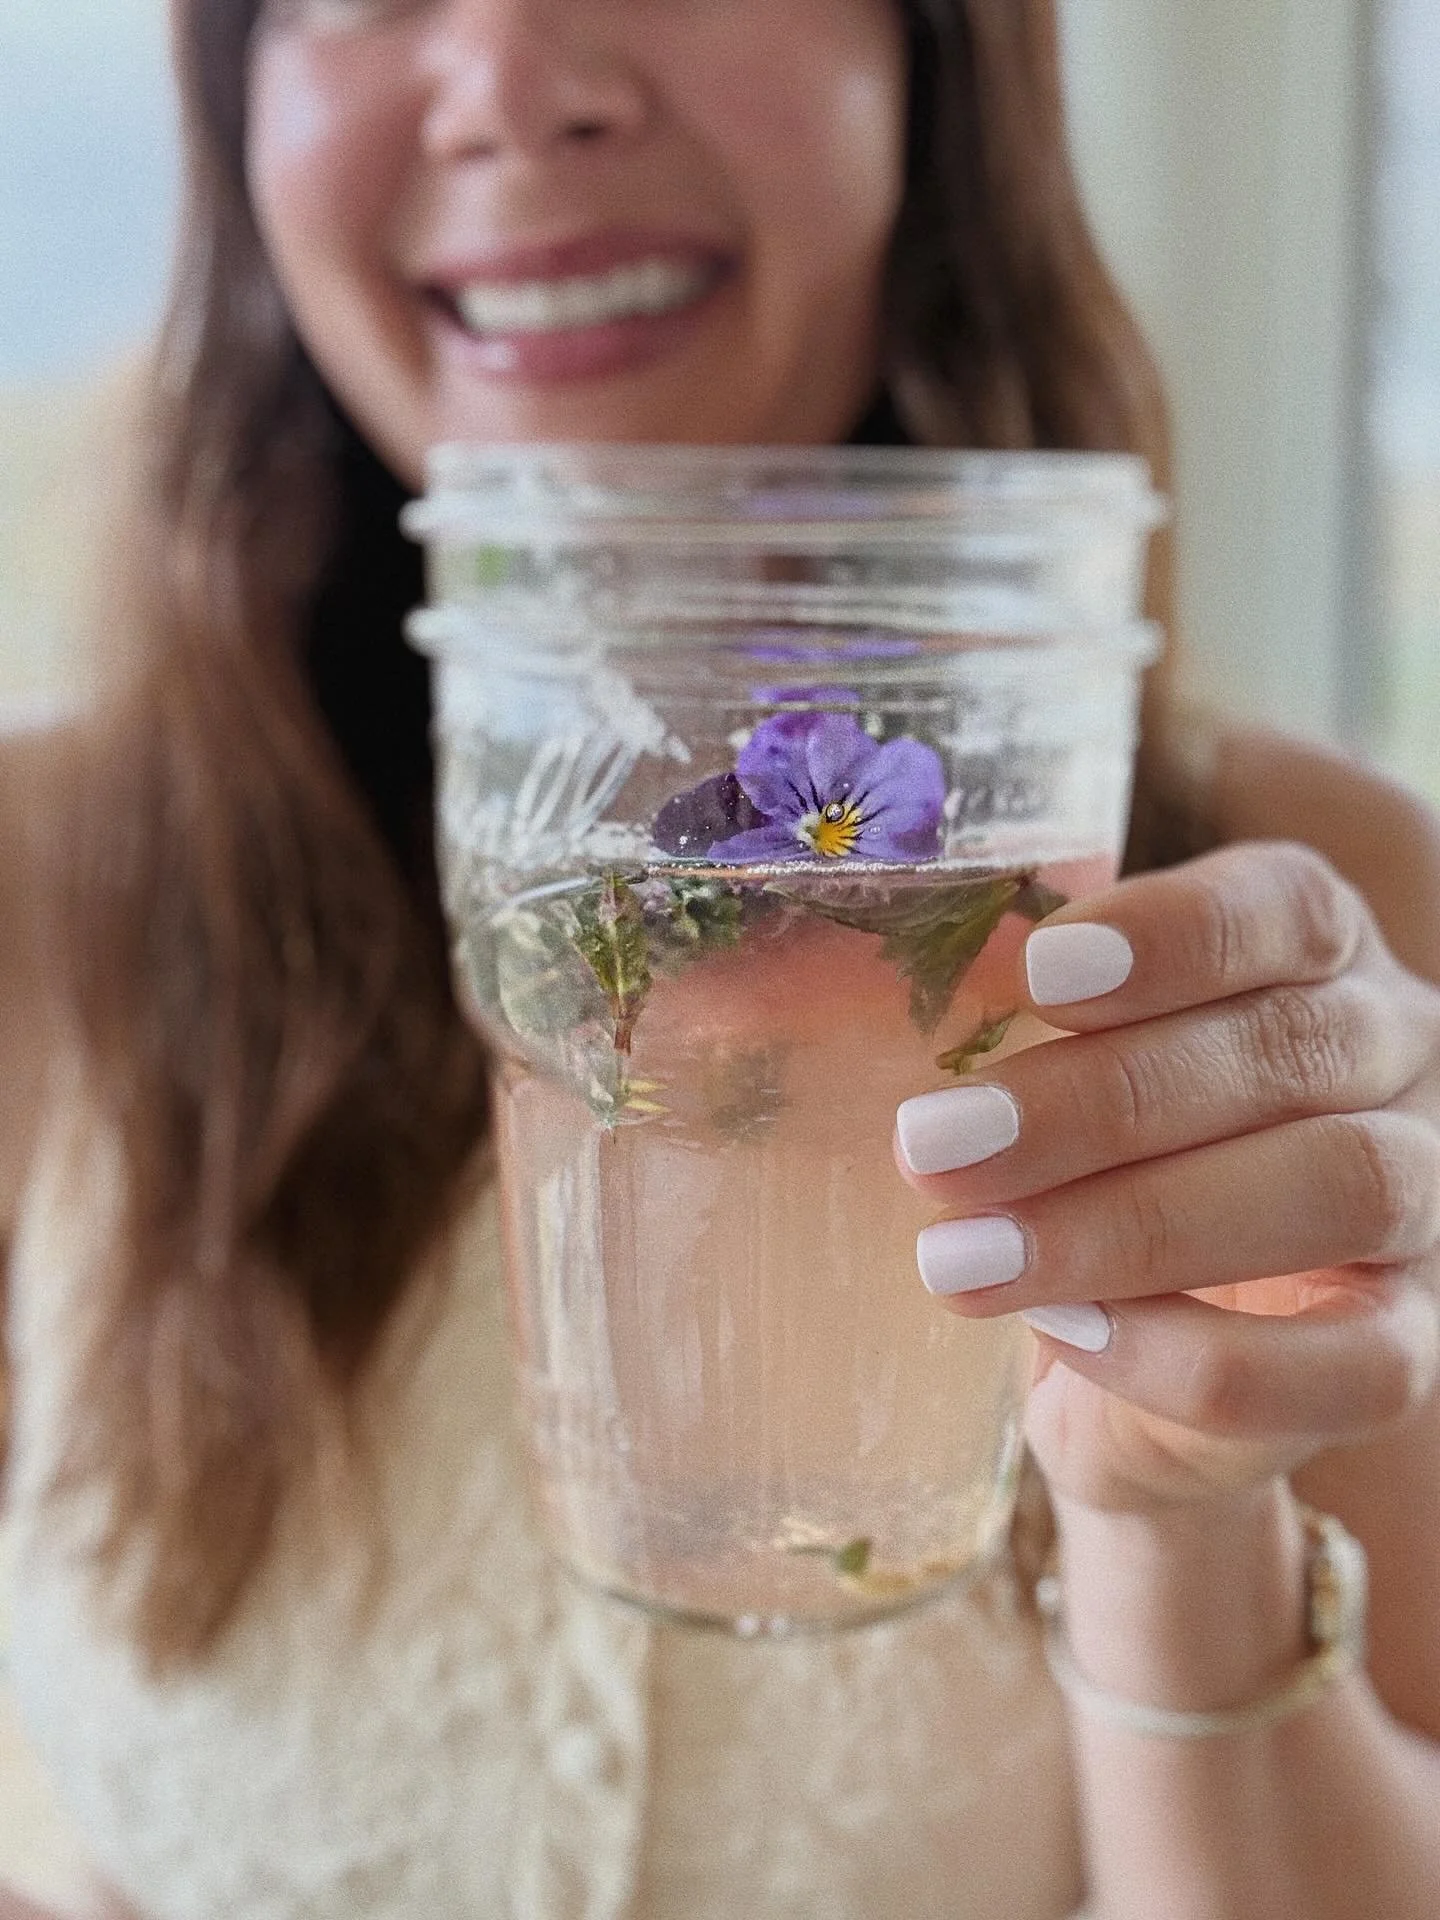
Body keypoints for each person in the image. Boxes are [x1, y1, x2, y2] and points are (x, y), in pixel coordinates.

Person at [2, 0, 1439, 1915]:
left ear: (935, 62)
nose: (513, 86)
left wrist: (1180, 1518)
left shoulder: (1312, 937)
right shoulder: (43, 899)